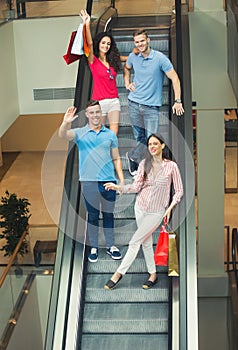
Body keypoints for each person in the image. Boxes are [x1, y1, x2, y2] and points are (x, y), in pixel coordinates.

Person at [103, 133, 183, 290]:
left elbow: (179, 191)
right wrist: (119, 187)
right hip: (140, 207)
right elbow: (136, 187)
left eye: (155, 144)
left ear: (162, 146)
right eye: (150, 144)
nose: (152, 147)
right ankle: (153, 274)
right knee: (145, 242)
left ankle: (118, 274)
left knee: (134, 242)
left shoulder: (171, 166)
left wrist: (170, 208)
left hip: (157, 212)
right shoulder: (145, 164)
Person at [58, 100, 124, 263]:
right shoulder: (80, 133)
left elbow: (116, 158)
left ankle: (111, 246)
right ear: (87, 114)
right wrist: (65, 123)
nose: (95, 115)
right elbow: (63, 135)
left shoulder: (110, 135)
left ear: (101, 113)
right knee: (93, 216)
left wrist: (121, 181)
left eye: (97, 112)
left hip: (109, 181)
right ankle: (94, 246)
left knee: (108, 215)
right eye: (92, 112)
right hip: (88, 183)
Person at [124, 29, 185, 176]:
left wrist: (178, 101)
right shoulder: (133, 56)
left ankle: (134, 157)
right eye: (137, 42)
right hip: (133, 104)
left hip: (151, 107)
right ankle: (138, 161)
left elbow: (175, 78)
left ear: (148, 40)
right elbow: (127, 68)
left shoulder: (160, 58)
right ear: (134, 43)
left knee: (151, 139)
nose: (140, 44)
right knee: (139, 137)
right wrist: (127, 83)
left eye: (142, 41)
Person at [79, 9, 127, 136]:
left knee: (114, 133)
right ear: (99, 43)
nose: (106, 45)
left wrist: (136, 53)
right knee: (100, 132)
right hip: (99, 102)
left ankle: (112, 155)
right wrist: (87, 24)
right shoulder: (93, 60)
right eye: (103, 43)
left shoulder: (113, 60)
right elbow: (89, 43)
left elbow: (126, 59)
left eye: (108, 44)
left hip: (114, 101)